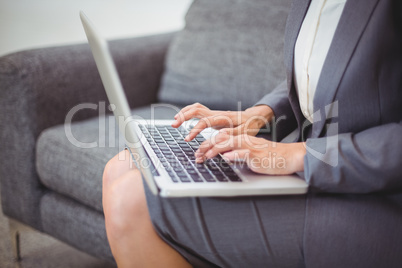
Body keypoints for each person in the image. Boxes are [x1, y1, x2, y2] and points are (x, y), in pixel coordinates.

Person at [102, 0, 402, 267]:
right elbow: (320, 75)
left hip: (375, 199)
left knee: (129, 200)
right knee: (120, 168)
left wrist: (297, 154)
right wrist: (260, 115)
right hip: (320, 178)